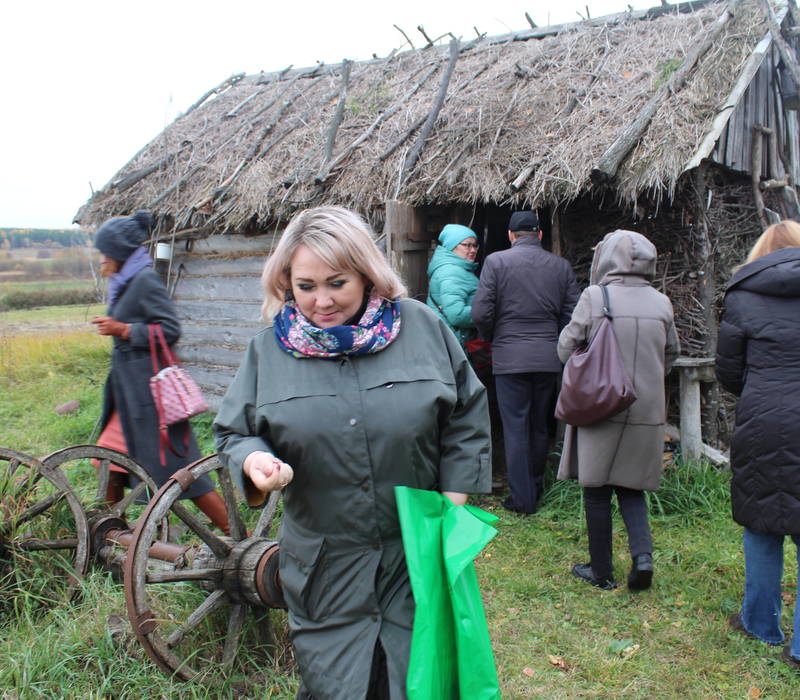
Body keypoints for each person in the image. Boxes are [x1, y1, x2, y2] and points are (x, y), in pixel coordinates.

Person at [213, 205, 492, 699]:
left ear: (367, 274)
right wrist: (254, 463)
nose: (321, 301)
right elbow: (236, 433)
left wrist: (450, 504)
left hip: (415, 555)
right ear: (286, 283)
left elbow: (467, 414)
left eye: (336, 283)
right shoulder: (268, 352)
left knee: (420, 682)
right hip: (324, 566)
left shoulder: (423, 328)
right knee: (337, 687)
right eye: (305, 286)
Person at [92, 210, 229, 534]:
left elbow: (170, 329)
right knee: (109, 458)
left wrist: (124, 330)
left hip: (151, 400)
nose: (101, 261)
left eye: (104, 254)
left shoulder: (145, 280)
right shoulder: (124, 284)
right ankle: (112, 534)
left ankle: (237, 534)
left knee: (181, 471)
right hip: (127, 400)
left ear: (119, 253)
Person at [557, 229, 679, 591]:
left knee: (596, 489)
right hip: (646, 407)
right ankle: (642, 558)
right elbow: (670, 356)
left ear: (607, 258)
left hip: (601, 402)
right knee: (632, 487)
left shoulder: (596, 296)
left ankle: (601, 571)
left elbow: (566, 349)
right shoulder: (662, 302)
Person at [716, 220, 800, 670]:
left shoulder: (743, 294)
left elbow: (728, 369)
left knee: (761, 520)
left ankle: (761, 625)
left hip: (763, 419)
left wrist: (760, 388)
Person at [471, 210, 580, 514]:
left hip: (509, 358)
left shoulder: (496, 262)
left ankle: (522, 500)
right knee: (539, 426)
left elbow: (481, 312)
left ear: (510, 236)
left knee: (515, 427)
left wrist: (493, 335)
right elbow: (573, 313)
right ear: (540, 235)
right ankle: (535, 488)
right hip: (548, 358)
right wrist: (556, 341)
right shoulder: (560, 266)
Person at [426, 223, 479, 347]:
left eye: (475, 245)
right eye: (467, 245)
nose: (473, 250)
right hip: (453, 343)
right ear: (452, 246)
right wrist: (489, 312)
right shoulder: (452, 272)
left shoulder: (456, 268)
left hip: (446, 339)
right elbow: (457, 315)